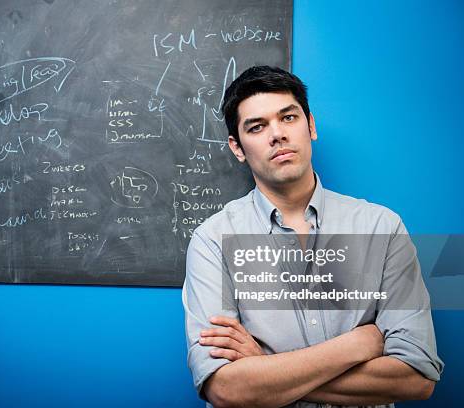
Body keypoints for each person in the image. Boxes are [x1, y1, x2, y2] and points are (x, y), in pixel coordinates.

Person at [182, 66, 443, 408]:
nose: (277, 134)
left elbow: (417, 377)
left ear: (311, 126)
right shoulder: (212, 241)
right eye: (257, 127)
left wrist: (262, 368)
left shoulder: (382, 227)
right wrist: (356, 345)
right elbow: (226, 389)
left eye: (288, 118)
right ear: (237, 148)